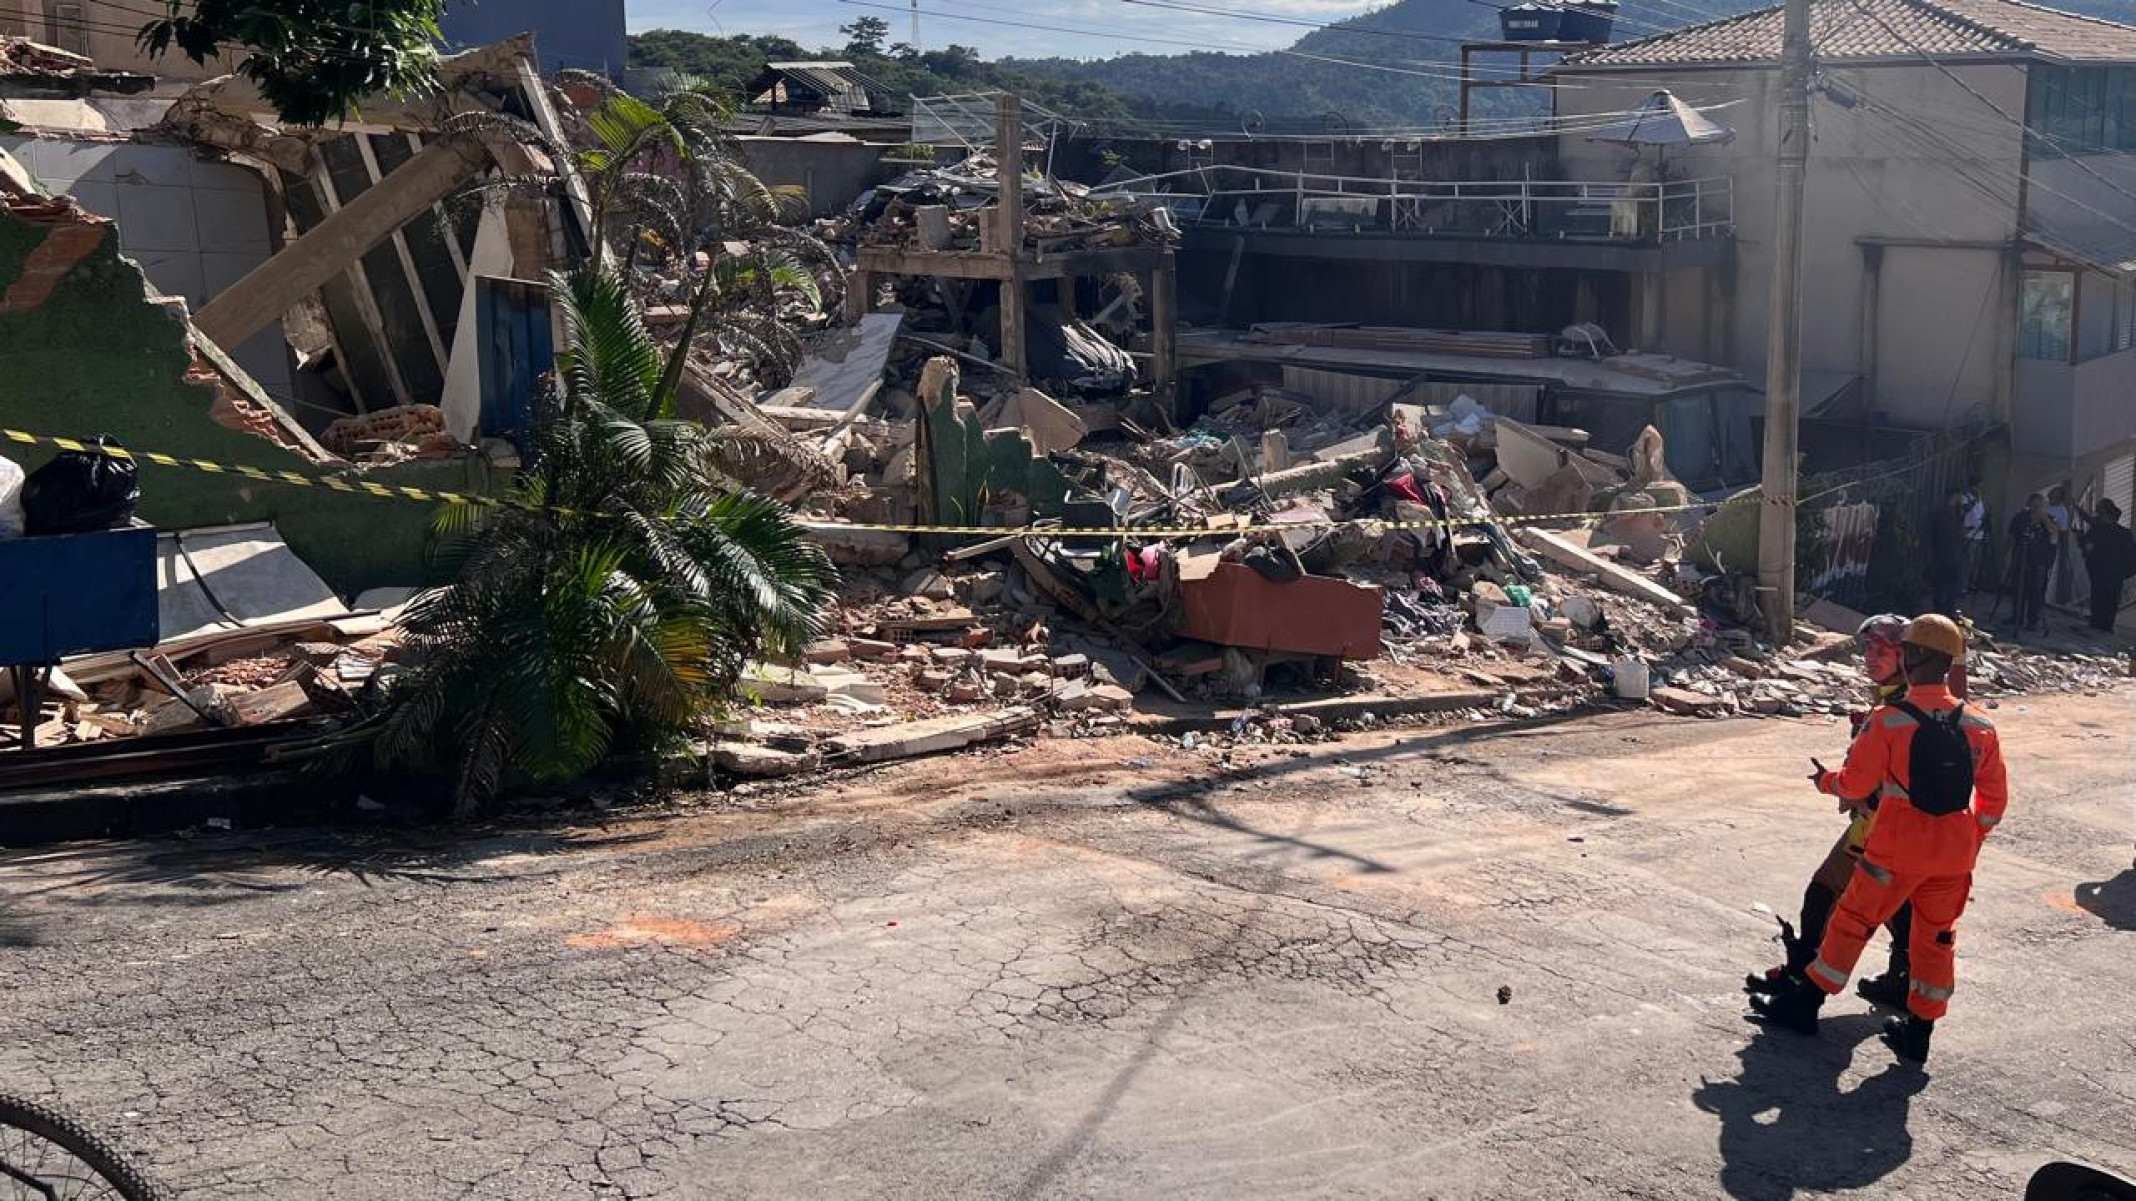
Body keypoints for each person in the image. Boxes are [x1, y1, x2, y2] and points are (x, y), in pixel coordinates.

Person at [1749, 615, 2009, 1065]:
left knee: (1850, 923)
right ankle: (1918, 1031)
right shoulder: (1980, 726)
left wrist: (1824, 782)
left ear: (1909, 658)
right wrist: (1969, 837)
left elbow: (1854, 785)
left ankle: (1804, 1004)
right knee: (1937, 939)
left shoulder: (1889, 721)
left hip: (1894, 849)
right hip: (1952, 859)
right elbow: (1994, 800)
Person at [1744, 615, 1915, 1009]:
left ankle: (1802, 982)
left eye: (1882, 651)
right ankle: (1903, 980)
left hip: (1876, 827)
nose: (1871, 658)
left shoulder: (1895, 708)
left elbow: (1861, 781)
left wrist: (1827, 782)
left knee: (1823, 894)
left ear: (1904, 656)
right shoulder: (1905, 698)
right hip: (1900, 828)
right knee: (1899, 905)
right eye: (1869, 650)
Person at [2079, 498, 2135, 633]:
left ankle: (2098, 625)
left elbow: (2087, 549)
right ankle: (2106, 627)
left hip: (2100, 573)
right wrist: (2126, 573)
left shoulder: (2097, 531)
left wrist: (2081, 541)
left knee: (2099, 599)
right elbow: (2132, 556)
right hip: (2115, 575)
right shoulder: (2124, 534)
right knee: (2111, 601)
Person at [2010, 492, 2058, 632]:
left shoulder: (2049, 519)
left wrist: (2044, 519)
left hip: (2039, 561)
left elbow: (2054, 537)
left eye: (2039, 505)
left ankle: (2033, 620)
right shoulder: (2020, 518)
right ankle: (2016, 616)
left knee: (2035, 591)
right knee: (2018, 588)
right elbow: (2012, 537)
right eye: (2034, 505)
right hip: (2021, 557)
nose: (2036, 508)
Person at [1928, 489, 1969, 617]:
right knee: (1945, 588)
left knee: (1944, 587)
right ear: (1955, 496)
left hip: (1945, 555)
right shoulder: (1946, 514)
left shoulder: (1951, 513)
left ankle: (1944, 611)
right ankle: (1944, 612)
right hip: (1948, 556)